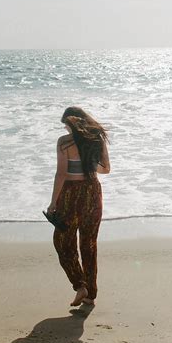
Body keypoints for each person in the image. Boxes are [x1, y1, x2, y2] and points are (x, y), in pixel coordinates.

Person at [47, 106, 110, 307]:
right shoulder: (97, 139)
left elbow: (61, 174)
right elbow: (106, 169)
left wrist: (52, 203)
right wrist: (89, 164)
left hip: (70, 195)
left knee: (62, 242)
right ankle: (91, 294)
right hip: (92, 193)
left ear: (70, 123)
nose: (65, 129)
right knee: (89, 245)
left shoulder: (64, 143)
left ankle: (80, 285)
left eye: (65, 125)